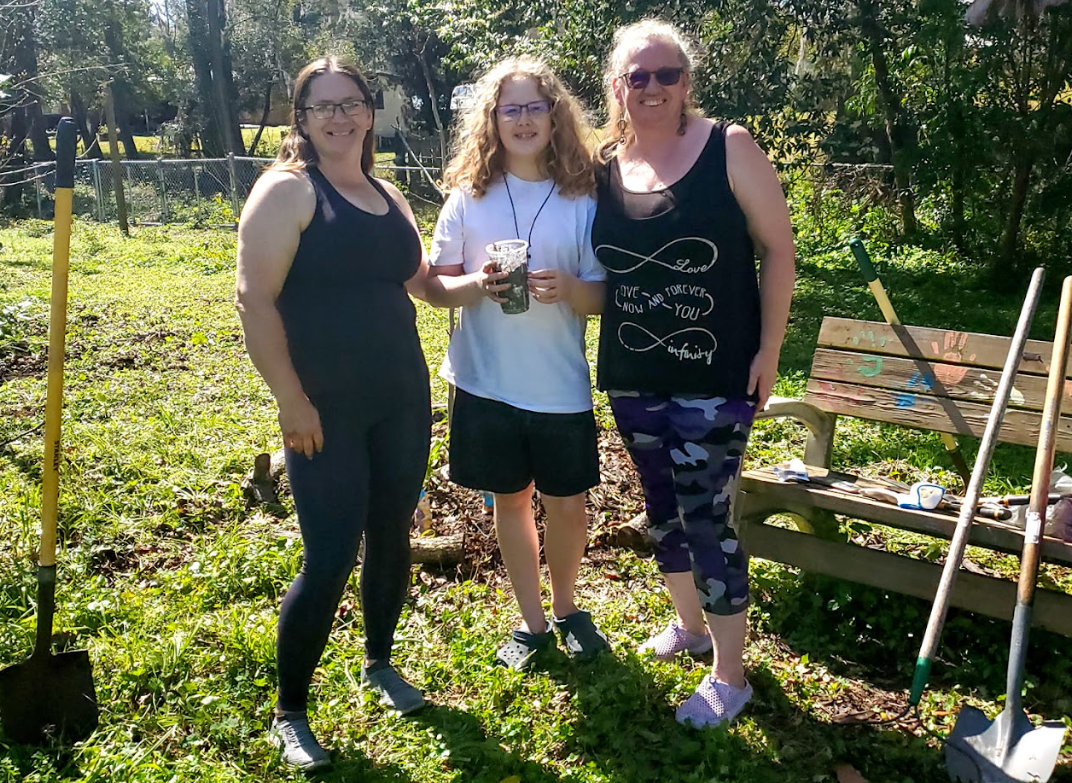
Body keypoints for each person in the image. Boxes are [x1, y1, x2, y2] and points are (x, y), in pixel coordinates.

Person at [592, 20, 796, 728]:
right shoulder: (603, 165)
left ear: (687, 83)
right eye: (637, 76)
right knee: (662, 507)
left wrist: (769, 351)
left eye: (666, 74)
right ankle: (691, 625)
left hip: (715, 376)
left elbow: (779, 249)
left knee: (708, 515)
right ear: (617, 86)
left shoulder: (727, 147)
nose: (652, 87)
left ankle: (730, 676)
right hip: (633, 372)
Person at [234, 56, 432, 771]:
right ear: (303, 118)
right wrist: (291, 399)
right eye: (324, 106)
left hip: (403, 398)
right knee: (328, 557)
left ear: (370, 112)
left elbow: (427, 285)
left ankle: (379, 661)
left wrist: (490, 283)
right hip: (325, 410)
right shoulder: (287, 192)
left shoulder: (387, 194)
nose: (340, 116)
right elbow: (254, 300)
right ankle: (291, 708)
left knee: (392, 533)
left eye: (351, 103)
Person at [423, 56, 608, 671]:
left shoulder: (582, 197)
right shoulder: (468, 195)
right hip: (484, 381)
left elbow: (605, 295)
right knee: (509, 502)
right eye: (511, 109)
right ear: (493, 120)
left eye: (536, 107)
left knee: (567, 505)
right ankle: (531, 622)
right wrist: (477, 282)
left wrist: (570, 291)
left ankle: (566, 607)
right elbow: (433, 285)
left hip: (559, 384)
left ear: (556, 118)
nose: (524, 120)